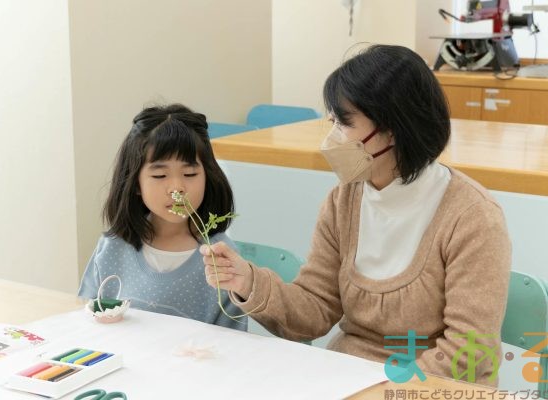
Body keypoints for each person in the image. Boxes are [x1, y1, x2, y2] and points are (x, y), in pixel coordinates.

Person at [200, 45, 511, 384]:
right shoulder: (343, 201)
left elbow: (469, 349)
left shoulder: (473, 217)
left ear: (393, 130)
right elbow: (314, 309)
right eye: (332, 121)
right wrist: (248, 282)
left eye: (344, 123)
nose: (332, 138)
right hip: (350, 378)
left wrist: (384, 388)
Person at [78, 103, 245, 331]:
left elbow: (234, 343)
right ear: (135, 182)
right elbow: (86, 323)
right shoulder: (112, 247)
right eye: (159, 175)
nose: (177, 187)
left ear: (208, 176)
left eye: (190, 174)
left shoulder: (221, 257)